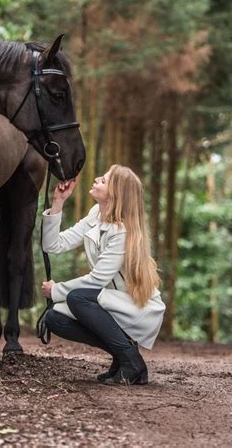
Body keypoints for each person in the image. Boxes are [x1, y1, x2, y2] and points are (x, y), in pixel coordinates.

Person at [41, 165, 165, 385]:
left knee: (77, 297)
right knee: (54, 318)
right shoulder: (96, 215)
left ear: (116, 193)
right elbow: (53, 244)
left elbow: (97, 280)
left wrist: (56, 290)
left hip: (134, 307)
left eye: (105, 180)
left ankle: (131, 362)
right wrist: (58, 202)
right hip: (108, 303)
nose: (97, 179)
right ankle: (126, 356)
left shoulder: (122, 231)